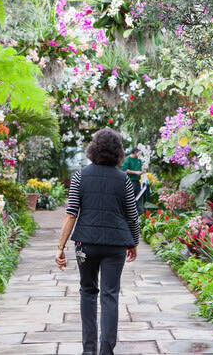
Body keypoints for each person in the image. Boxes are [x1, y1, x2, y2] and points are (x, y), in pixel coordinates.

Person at [54, 128, 140, 355]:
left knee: (88, 291)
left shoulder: (80, 175)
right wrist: (134, 242)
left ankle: (88, 350)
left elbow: (71, 213)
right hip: (116, 245)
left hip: (85, 245)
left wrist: (60, 247)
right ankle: (106, 350)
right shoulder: (124, 180)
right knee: (110, 294)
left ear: (93, 149)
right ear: (118, 152)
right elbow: (132, 215)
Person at [121, 147, 145, 214]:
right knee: (130, 198)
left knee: (139, 197)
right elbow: (125, 169)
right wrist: (135, 172)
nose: (139, 154)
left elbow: (139, 169)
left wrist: (142, 171)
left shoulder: (139, 160)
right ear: (134, 152)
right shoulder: (128, 159)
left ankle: (140, 214)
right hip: (130, 181)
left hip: (137, 181)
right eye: (138, 153)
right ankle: (129, 213)